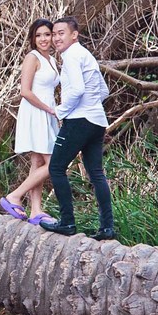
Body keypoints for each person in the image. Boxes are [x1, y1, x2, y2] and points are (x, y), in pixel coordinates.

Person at [43, 15, 114, 239]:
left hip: (79, 120)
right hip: (97, 121)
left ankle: (67, 222)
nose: (56, 38)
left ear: (74, 35)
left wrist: (60, 111)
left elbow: (78, 90)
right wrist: (91, 107)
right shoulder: (86, 55)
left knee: (56, 167)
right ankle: (107, 228)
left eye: (60, 33)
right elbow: (104, 91)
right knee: (96, 173)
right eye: (53, 34)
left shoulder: (72, 55)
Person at [0, 19, 61, 225]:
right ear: (33, 39)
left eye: (47, 34)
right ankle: (14, 196)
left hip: (48, 113)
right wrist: (48, 109)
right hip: (36, 112)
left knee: (37, 162)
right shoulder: (32, 57)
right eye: (39, 35)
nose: (43, 39)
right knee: (54, 163)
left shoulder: (51, 59)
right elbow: (25, 91)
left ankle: (36, 210)